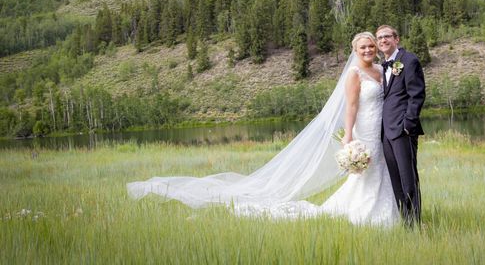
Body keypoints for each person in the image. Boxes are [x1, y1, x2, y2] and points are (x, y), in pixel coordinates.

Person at [127, 32, 399, 227]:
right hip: (364, 130)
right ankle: (364, 216)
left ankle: (387, 212)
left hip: (382, 130)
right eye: (362, 47)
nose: (367, 50)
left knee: (381, 171)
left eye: (370, 46)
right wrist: (348, 138)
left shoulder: (381, 68)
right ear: (355, 49)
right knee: (365, 172)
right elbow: (350, 108)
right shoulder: (354, 74)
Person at [376, 25, 426, 227]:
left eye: (386, 36)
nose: (382, 40)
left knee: (408, 178)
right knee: (395, 180)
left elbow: (417, 95)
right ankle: (405, 220)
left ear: (396, 39)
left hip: (402, 130)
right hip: (386, 133)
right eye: (379, 38)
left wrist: (408, 124)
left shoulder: (409, 60)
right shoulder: (383, 65)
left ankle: (414, 221)